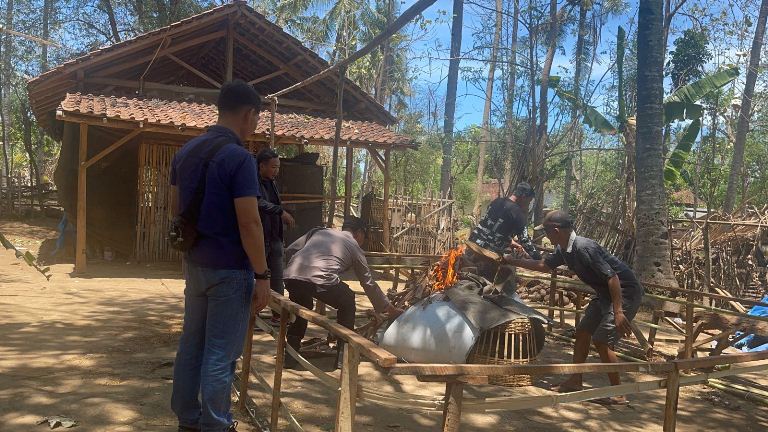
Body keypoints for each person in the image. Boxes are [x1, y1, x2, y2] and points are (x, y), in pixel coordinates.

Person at [169, 80, 271, 432]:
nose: (255, 123)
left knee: (191, 343)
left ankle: (188, 418)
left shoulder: (185, 152)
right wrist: (262, 275)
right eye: (256, 117)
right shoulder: (240, 158)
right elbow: (250, 223)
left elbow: (177, 210)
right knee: (220, 354)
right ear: (248, 114)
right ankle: (215, 425)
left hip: (195, 264)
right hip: (230, 269)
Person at [505, 210, 644, 405]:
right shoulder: (564, 250)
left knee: (602, 340)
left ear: (556, 230)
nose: (545, 235)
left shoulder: (583, 248)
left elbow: (613, 277)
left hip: (624, 292)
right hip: (604, 294)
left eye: (545, 231)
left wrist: (619, 311)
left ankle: (619, 392)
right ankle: (575, 379)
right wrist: (511, 260)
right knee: (582, 332)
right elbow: (544, 265)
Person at [282, 216, 403, 369]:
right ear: (359, 234)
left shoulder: (319, 232)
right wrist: (389, 309)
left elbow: (291, 249)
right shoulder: (354, 247)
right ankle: (343, 355)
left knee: (302, 306)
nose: (362, 242)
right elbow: (368, 283)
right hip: (320, 279)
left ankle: (290, 356)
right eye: (363, 238)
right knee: (347, 299)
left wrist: (293, 268)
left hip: (291, 276)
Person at [464, 182, 541, 292]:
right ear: (523, 197)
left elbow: (492, 229)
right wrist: (539, 260)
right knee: (508, 274)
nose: (528, 204)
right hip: (489, 255)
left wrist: (511, 242)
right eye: (529, 201)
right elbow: (525, 241)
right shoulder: (518, 214)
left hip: (472, 245)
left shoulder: (496, 202)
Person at [255, 149, 295, 324]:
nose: (276, 171)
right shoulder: (253, 182)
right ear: (261, 166)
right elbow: (258, 203)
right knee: (256, 276)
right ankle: (252, 314)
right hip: (259, 238)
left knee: (278, 278)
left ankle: (278, 314)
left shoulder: (272, 183)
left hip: (275, 238)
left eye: (278, 167)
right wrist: (280, 212)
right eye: (273, 167)